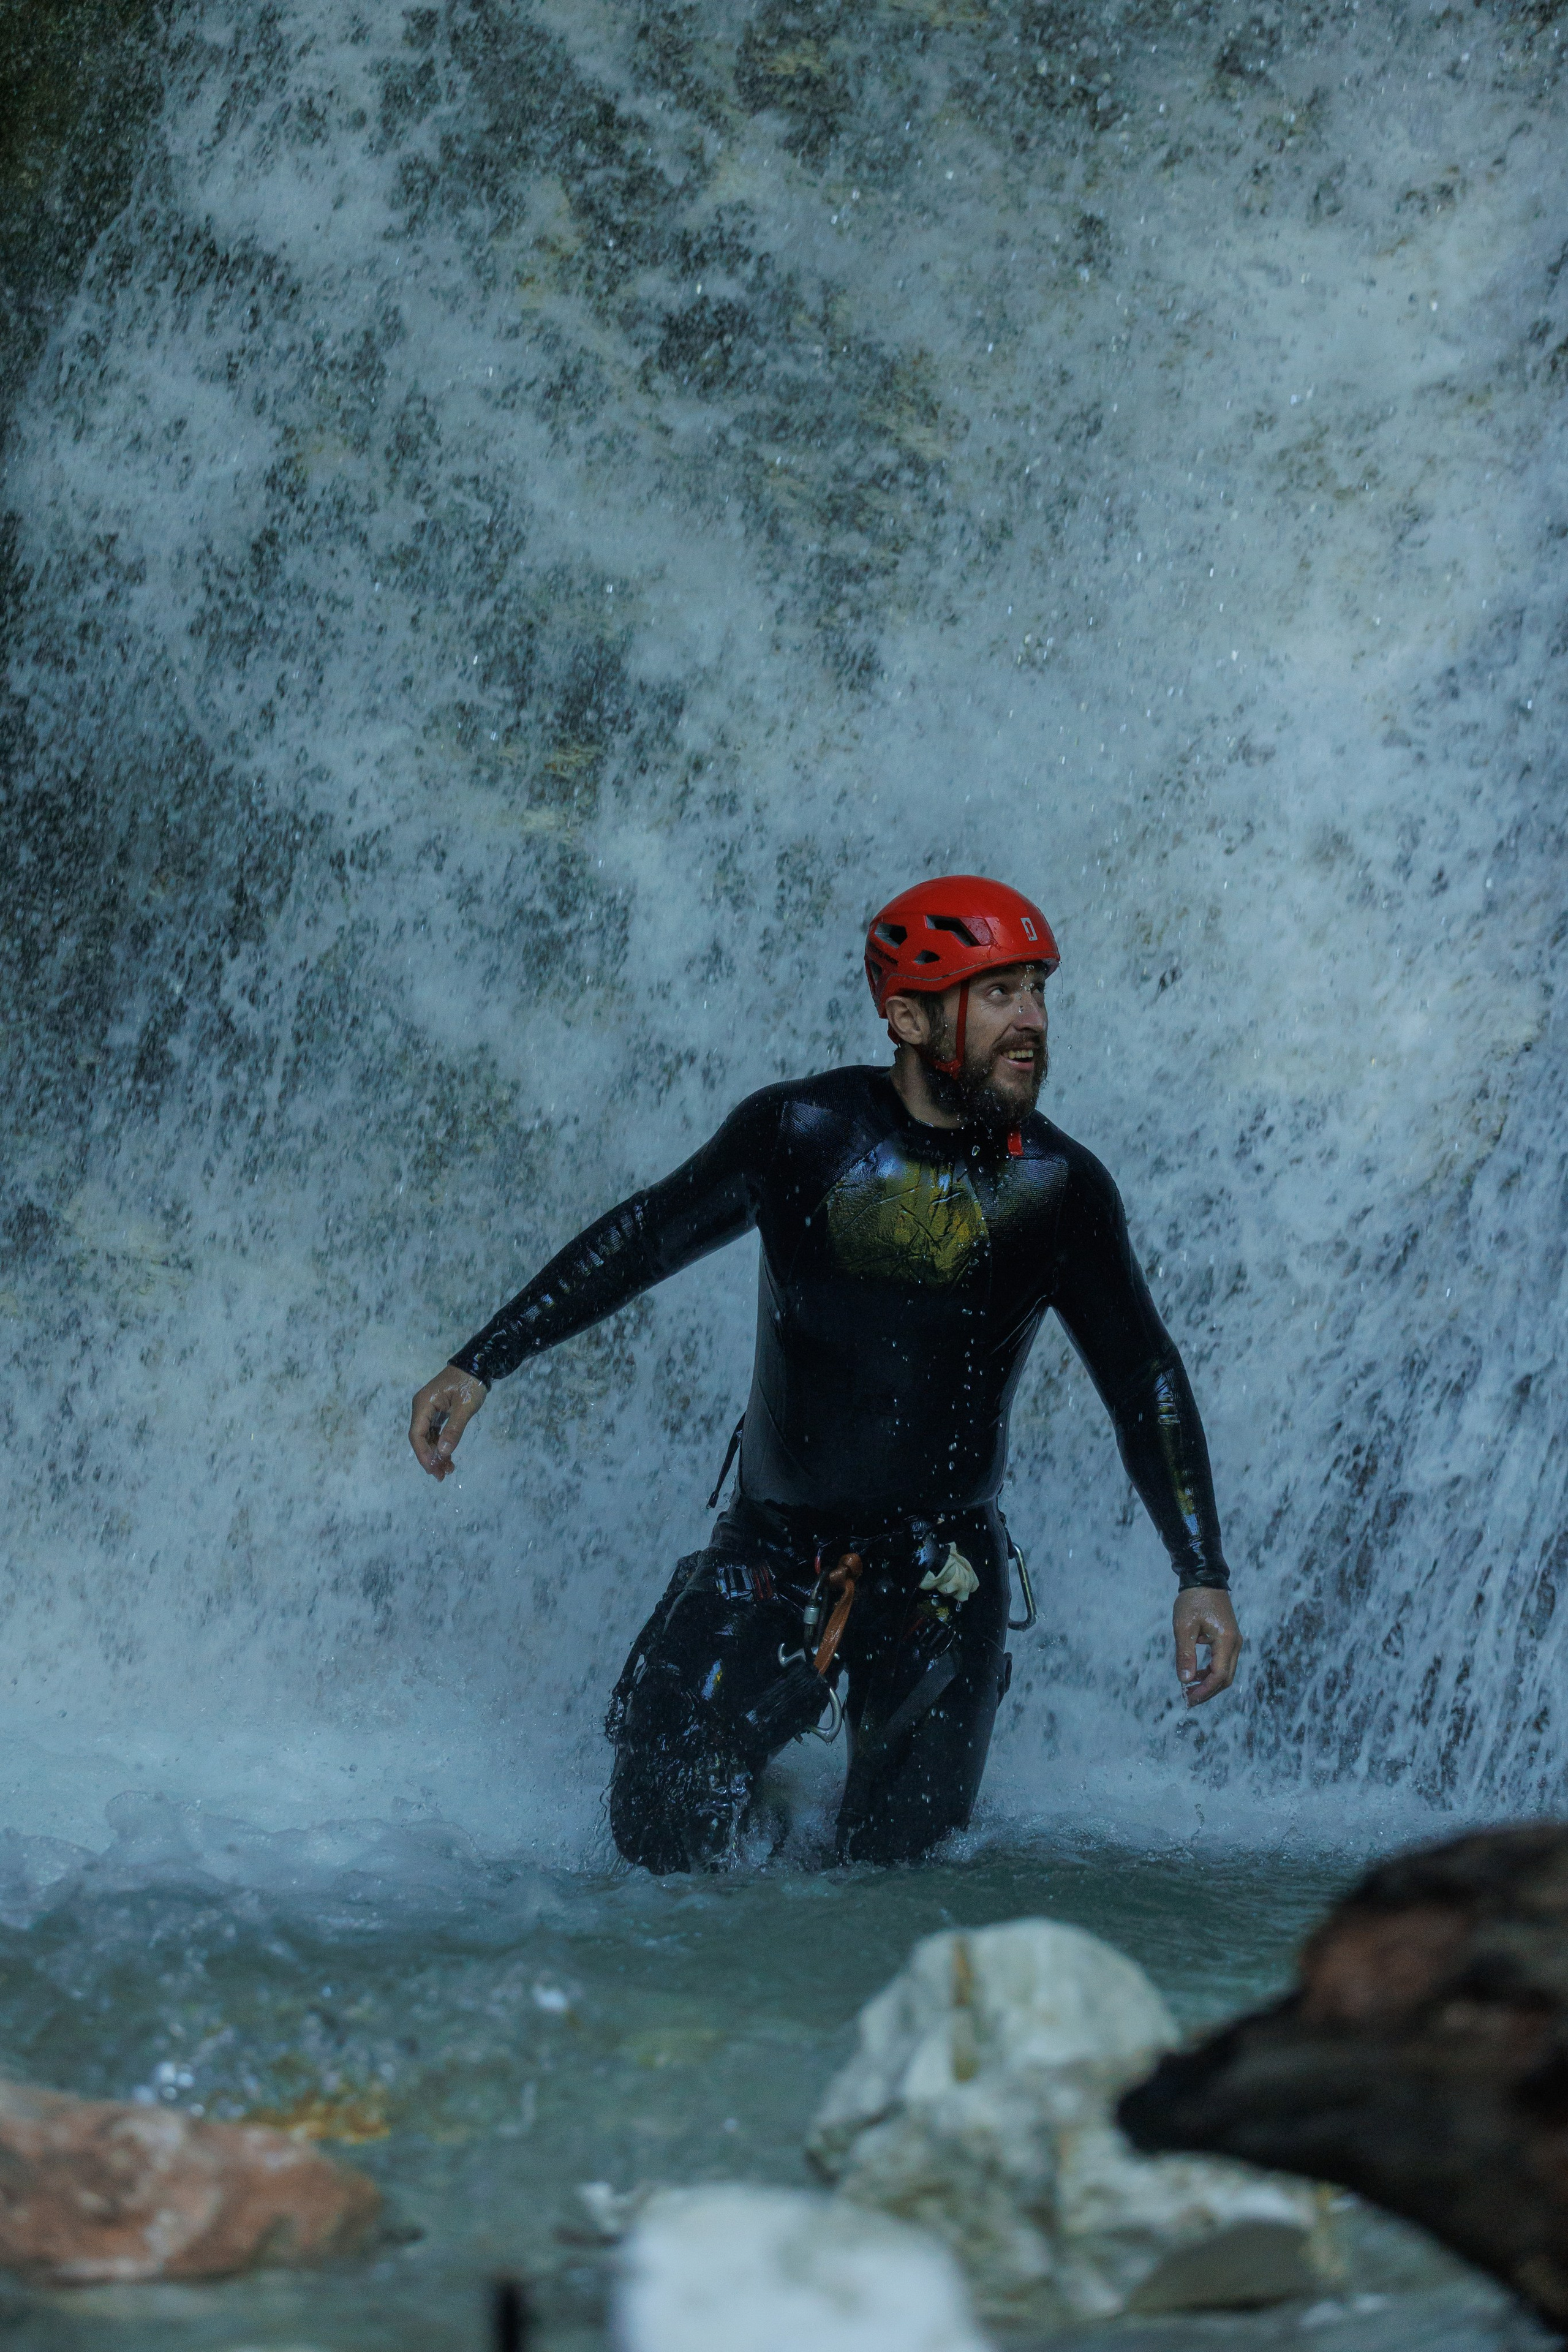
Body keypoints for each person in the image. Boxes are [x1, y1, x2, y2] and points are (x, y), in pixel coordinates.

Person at [410, 876, 1242, 1872]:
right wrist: (484, 1359)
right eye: (1000, 993)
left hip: (942, 1574)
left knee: (895, 1875)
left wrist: (1200, 1571)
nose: (1032, 1019)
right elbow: (647, 1236)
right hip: (775, 1545)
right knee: (657, 1840)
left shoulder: (1057, 1188)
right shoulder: (801, 1134)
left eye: (1038, 991)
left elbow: (1143, 1377)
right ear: (908, 1017)